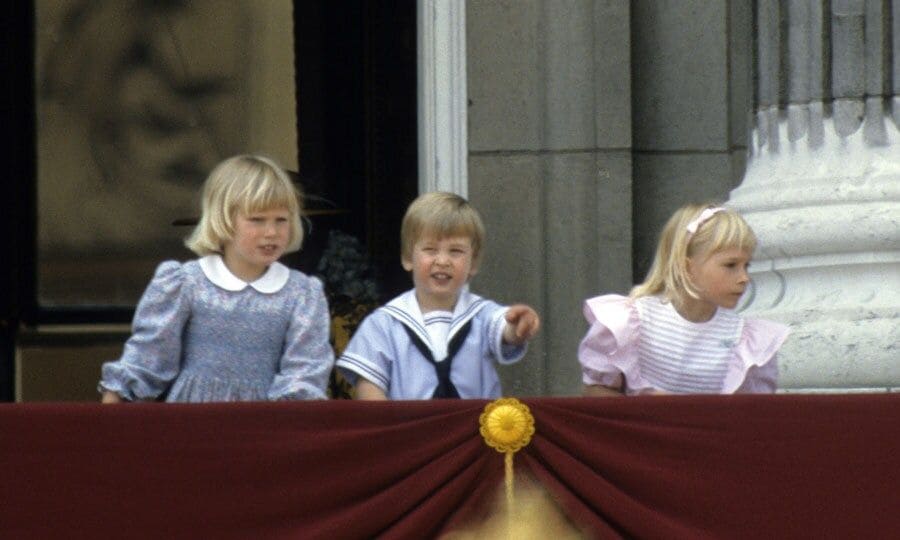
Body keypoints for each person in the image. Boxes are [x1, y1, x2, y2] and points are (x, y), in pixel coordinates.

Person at [99, 155, 334, 402]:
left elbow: (305, 370)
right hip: (192, 425)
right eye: (257, 220)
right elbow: (149, 356)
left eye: (281, 220)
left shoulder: (301, 294)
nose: (271, 232)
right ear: (223, 220)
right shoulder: (185, 284)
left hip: (266, 428)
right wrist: (116, 395)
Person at [336, 192, 540, 400]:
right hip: (412, 430)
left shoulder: (481, 315)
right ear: (408, 258)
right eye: (430, 250)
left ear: (474, 263)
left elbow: (504, 328)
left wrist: (517, 327)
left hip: (474, 429)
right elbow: (370, 388)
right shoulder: (384, 324)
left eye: (455, 251)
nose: (442, 260)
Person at [579, 203, 789, 396]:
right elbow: (596, 392)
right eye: (731, 265)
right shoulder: (631, 322)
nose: (745, 278)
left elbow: (752, 414)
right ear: (687, 266)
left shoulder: (744, 341)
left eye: (747, 266)